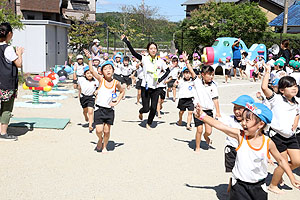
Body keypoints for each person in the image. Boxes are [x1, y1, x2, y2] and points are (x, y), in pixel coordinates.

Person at [194, 101, 300, 200]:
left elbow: (281, 160)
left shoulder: (268, 142)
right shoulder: (240, 136)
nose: (243, 123)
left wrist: (292, 178)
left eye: (247, 120)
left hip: (259, 186)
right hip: (239, 186)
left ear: (261, 124)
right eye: (243, 119)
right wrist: (202, 116)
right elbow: (221, 126)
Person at [261, 64, 300, 194]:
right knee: (282, 162)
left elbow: (297, 113)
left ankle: (279, 172)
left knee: (297, 161)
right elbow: (264, 87)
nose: (294, 88)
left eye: (295, 85)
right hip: (276, 136)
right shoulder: (276, 99)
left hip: (290, 136)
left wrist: (295, 123)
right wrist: (267, 72)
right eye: (290, 86)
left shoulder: (296, 102)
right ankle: (273, 185)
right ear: (282, 90)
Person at [121, 34, 170, 130]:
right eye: (151, 48)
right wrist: (127, 42)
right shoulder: (144, 58)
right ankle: (141, 111)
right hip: (145, 87)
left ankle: (149, 123)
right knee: (146, 108)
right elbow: (134, 53)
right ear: (148, 50)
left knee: (154, 107)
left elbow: (168, 71)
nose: (153, 50)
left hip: (156, 87)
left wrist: (160, 79)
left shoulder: (160, 61)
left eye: (155, 48)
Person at [84, 49, 124, 152]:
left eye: (110, 68)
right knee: (99, 130)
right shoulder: (101, 80)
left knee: (107, 131)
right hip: (99, 109)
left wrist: (117, 101)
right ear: (102, 72)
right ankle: (99, 139)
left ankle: (105, 146)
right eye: (105, 69)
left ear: (113, 71)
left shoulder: (116, 82)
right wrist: (89, 58)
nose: (108, 70)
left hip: (110, 110)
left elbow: (122, 91)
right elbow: (92, 71)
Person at [183, 52, 221, 151]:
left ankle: (206, 137)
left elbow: (215, 99)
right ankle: (197, 147)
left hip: (208, 111)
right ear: (203, 75)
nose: (211, 77)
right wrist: (187, 61)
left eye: (212, 75)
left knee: (209, 131)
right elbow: (192, 72)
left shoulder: (213, 85)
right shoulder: (198, 82)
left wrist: (218, 112)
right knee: (199, 129)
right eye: (209, 75)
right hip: (198, 111)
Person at [218, 95, 254, 192]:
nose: (236, 111)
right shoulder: (230, 119)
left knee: (246, 172)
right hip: (232, 150)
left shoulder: (254, 123)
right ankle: (233, 189)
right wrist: (202, 114)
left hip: (247, 151)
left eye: (240, 108)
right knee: (235, 172)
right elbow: (217, 119)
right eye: (235, 108)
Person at [0, 22, 24, 141]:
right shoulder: (8, 48)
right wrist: (19, 53)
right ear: (9, 34)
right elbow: (18, 64)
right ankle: (3, 133)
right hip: (6, 83)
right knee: (6, 108)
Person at [75, 66, 99, 133]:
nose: (89, 75)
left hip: (91, 97)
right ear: (84, 74)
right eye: (87, 73)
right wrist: (79, 97)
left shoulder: (96, 81)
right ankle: (85, 116)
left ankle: (90, 125)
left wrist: (96, 97)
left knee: (90, 111)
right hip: (83, 97)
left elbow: (98, 89)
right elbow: (79, 88)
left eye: (91, 73)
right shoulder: (81, 80)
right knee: (85, 110)